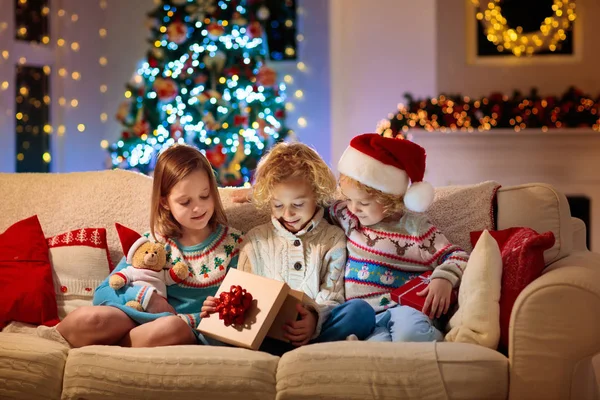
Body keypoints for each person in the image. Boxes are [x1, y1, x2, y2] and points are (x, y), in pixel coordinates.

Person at [37, 144, 242, 348]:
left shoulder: (233, 244)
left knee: (171, 326)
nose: (198, 207)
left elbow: (239, 309)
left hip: (183, 329)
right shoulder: (154, 243)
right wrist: (148, 299)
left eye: (205, 196)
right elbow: (103, 293)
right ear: (164, 202)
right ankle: (53, 343)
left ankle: (109, 349)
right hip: (142, 316)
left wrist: (205, 315)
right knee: (89, 318)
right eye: (185, 202)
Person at [202, 142, 374, 354]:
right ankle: (300, 351)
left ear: (317, 195)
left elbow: (333, 295)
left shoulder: (332, 238)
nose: (288, 214)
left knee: (360, 312)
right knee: (209, 331)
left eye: (298, 204)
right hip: (264, 333)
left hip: (316, 331)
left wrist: (313, 318)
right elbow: (241, 290)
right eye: (278, 205)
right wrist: (222, 307)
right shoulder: (255, 239)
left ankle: (309, 348)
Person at [333, 133, 469, 342]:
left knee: (409, 335)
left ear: (389, 199)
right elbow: (315, 208)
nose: (353, 208)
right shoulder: (347, 217)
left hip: (405, 309)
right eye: (348, 199)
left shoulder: (415, 228)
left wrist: (443, 278)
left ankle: (437, 339)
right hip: (367, 319)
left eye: (364, 203)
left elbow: (458, 256)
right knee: (377, 348)